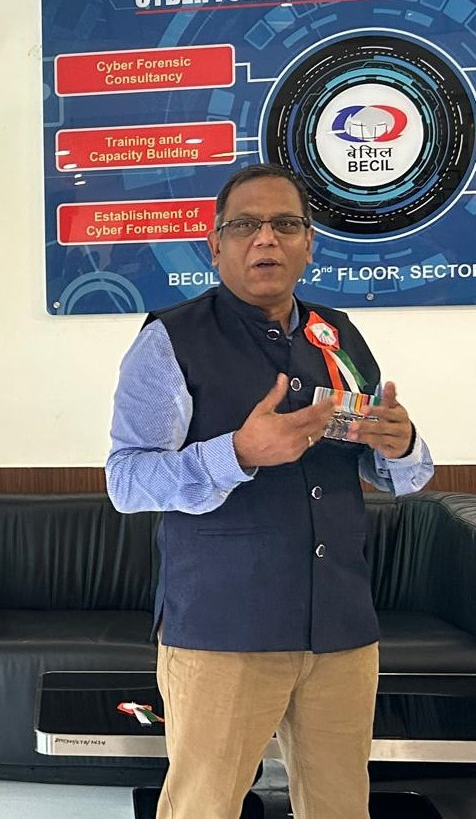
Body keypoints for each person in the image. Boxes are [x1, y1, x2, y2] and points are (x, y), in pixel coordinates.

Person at [105, 163, 433, 819]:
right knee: (202, 807)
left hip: (339, 627)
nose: (266, 239)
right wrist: (237, 454)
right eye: (245, 226)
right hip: (222, 628)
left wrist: (400, 445)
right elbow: (126, 481)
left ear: (308, 243)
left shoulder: (338, 335)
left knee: (342, 806)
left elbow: (385, 466)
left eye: (285, 224)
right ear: (215, 245)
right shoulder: (169, 339)